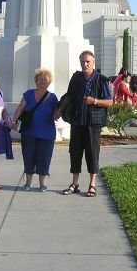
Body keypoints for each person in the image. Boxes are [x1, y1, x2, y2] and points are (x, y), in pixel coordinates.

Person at [54, 50, 112, 197]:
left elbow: (110, 102)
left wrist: (95, 101)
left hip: (93, 123)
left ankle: (92, 184)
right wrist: (59, 110)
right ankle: (75, 183)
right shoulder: (76, 78)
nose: (85, 64)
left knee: (92, 153)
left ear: (93, 62)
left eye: (88, 62)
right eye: (82, 62)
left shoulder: (102, 80)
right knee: (75, 152)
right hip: (77, 121)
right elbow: (69, 96)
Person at [11, 68, 59, 191]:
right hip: (29, 132)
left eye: (46, 80)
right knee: (28, 156)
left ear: (49, 82)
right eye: (40, 79)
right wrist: (13, 121)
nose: (43, 81)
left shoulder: (53, 97)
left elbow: (57, 114)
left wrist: (61, 112)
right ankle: (28, 182)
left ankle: (42, 183)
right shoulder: (28, 94)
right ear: (36, 81)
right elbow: (20, 108)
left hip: (47, 134)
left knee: (44, 158)